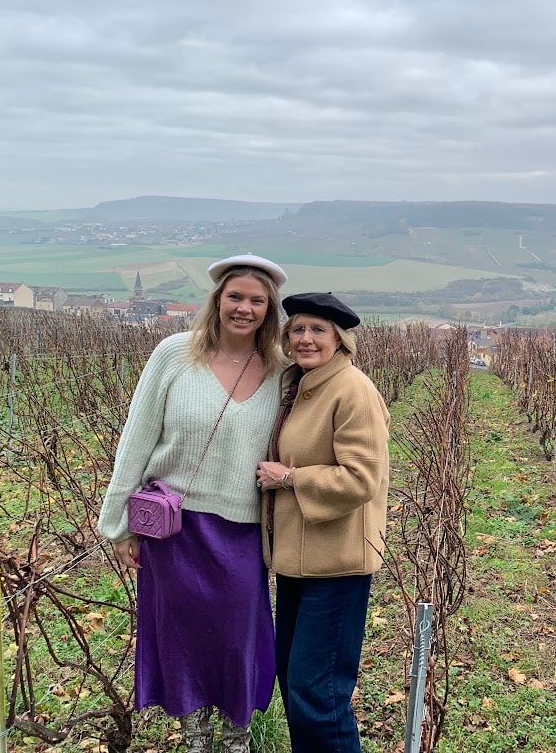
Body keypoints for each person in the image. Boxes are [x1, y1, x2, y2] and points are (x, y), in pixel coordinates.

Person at [97, 254, 288, 753]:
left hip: (242, 530)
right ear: (217, 300)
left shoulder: (281, 372)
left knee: (236, 637)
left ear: (270, 310)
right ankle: (195, 736)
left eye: (256, 300)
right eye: (235, 297)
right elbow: (136, 440)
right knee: (182, 636)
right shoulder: (173, 355)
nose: (244, 308)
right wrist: (118, 524)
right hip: (173, 529)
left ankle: (237, 736)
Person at [255, 292, 390, 753]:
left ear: (340, 338)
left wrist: (289, 477)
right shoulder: (298, 384)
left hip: (336, 564)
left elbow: (361, 478)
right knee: (294, 680)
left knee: (318, 692)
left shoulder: (352, 390)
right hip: (300, 560)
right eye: (297, 329)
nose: (306, 338)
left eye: (318, 330)